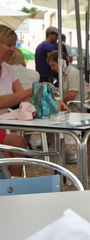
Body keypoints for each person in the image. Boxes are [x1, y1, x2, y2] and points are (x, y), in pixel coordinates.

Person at [0, 25, 33, 176]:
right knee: (16, 142)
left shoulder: (8, 69)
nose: (13, 49)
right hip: (4, 130)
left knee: (12, 147)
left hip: (3, 128)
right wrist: (31, 91)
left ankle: (11, 186)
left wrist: (43, 101)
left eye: (14, 45)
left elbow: (23, 98)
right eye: (9, 44)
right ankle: (14, 186)